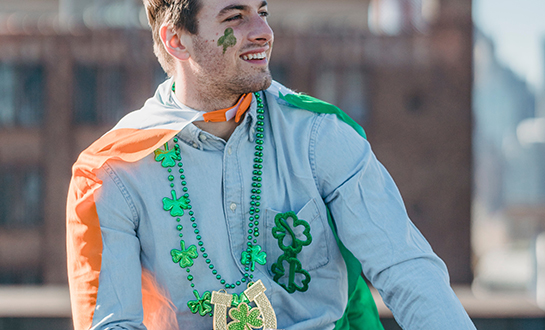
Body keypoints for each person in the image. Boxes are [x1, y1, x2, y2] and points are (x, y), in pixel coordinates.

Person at [66, 0, 477, 329]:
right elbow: (111, 323)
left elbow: (405, 270)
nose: (263, 32)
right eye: (236, 16)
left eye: (262, 12)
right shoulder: (112, 172)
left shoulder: (320, 136)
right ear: (177, 40)